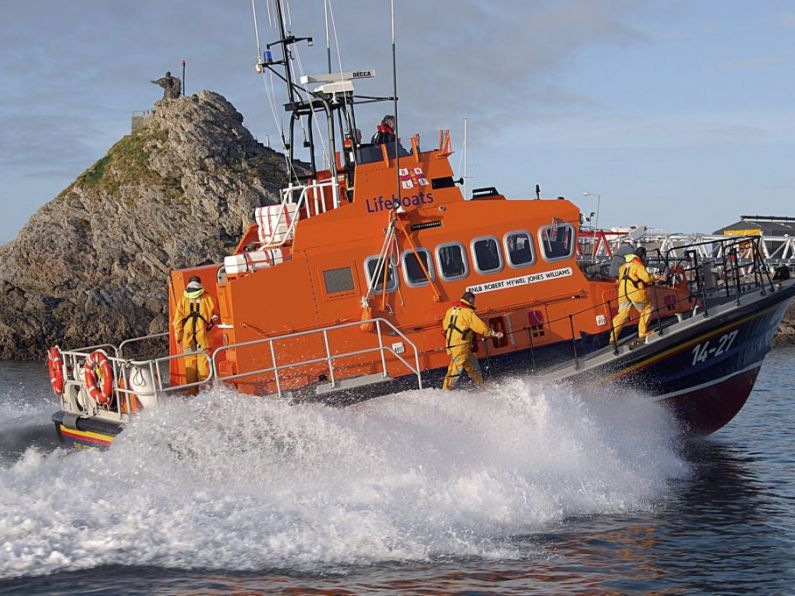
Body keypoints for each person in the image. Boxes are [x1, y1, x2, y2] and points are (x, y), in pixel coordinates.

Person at [442, 291, 503, 390]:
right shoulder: (468, 313)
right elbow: (480, 327)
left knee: (473, 365)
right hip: (460, 346)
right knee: (455, 369)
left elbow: (445, 327)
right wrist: (494, 334)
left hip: (455, 345)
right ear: (470, 300)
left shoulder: (450, 310)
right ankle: (446, 391)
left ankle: (480, 387)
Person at [172, 276, 218, 390]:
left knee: (190, 363)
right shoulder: (208, 298)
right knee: (204, 360)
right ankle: (205, 390)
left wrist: (179, 335)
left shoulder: (183, 299)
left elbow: (177, 320)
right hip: (202, 334)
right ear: (199, 284)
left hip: (187, 335)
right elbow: (216, 315)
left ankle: (192, 392)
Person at [609, 246, 658, 347]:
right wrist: (657, 277)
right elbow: (647, 278)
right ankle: (643, 332)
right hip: (634, 292)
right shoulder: (638, 266)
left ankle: (613, 337)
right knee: (647, 308)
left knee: (622, 315)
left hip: (622, 293)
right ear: (643, 256)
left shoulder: (623, 267)